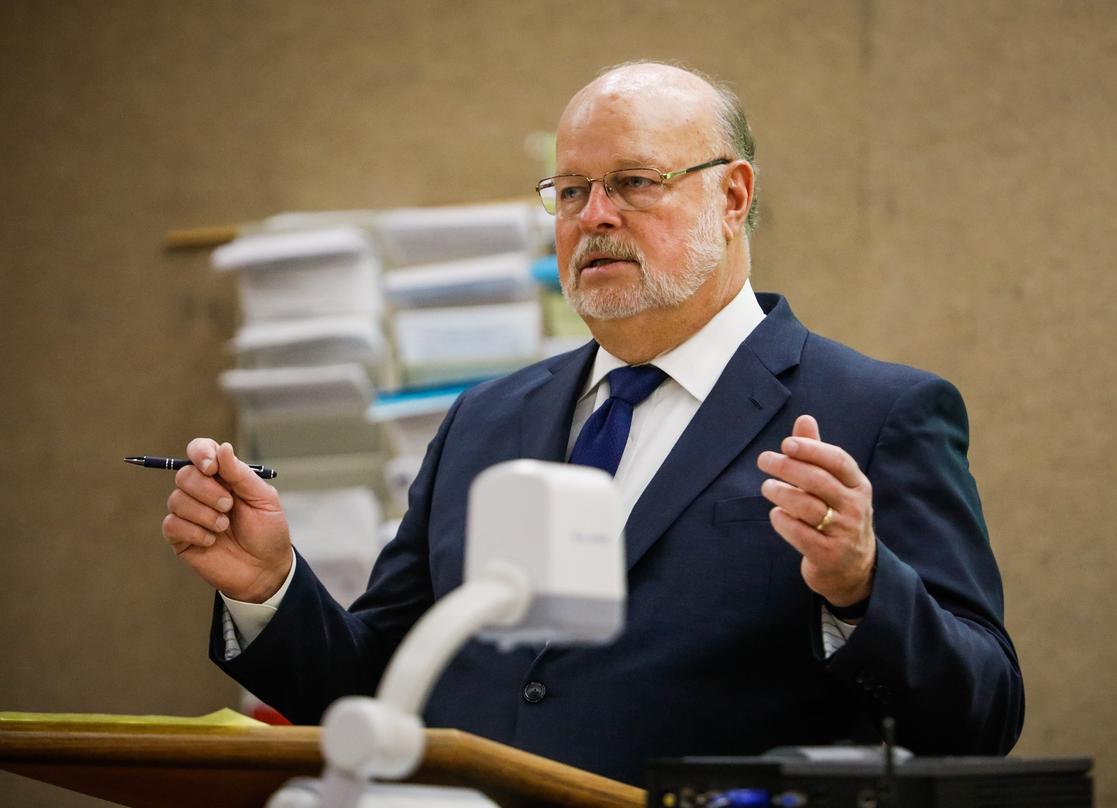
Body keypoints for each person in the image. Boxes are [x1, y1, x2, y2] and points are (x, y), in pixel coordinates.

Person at [162, 61, 1024, 786]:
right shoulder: (484, 421)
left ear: (734, 195)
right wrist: (269, 588)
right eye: (570, 191)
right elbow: (382, 679)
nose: (594, 217)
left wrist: (862, 589)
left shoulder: (873, 413)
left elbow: (983, 714)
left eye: (635, 183)